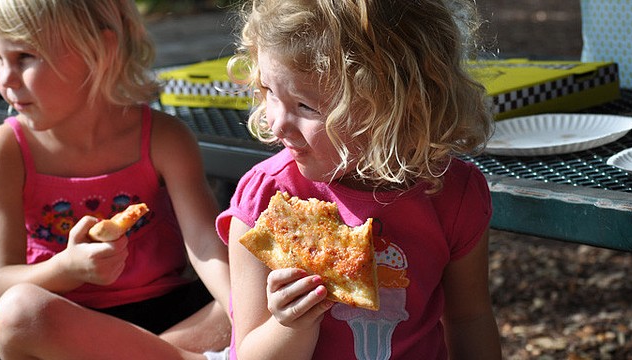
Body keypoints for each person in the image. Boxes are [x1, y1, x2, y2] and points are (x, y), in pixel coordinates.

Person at [216, 0, 503, 359]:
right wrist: (290, 324)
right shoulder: (266, 199)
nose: (276, 123)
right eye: (270, 92)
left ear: (395, 105)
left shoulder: (452, 193)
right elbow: (249, 353)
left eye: (306, 107)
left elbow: (469, 318)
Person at [0, 0, 230, 359]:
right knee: (18, 313)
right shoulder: (4, 151)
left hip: (165, 313)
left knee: (255, 284)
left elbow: (205, 243)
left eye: (24, 57)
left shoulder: (164, 138)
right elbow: (1, 283)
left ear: (101, 50)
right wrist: (67, 268)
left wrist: (239, 302)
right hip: (60, 319)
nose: (5, 80)